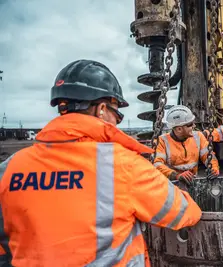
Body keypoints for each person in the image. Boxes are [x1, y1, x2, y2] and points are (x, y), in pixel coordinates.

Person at [0, 59, 202, 267]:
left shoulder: (9, 169)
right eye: (118, 114)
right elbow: (184, 212)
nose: (117, 122)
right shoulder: (124, 165)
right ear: (102, 110)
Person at [153, 105, 219, 185]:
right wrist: (176, 175)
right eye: (190, 124)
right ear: (179, 129)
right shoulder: (162, 141)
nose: (194, 126)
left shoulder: (198, 136)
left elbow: (208, 156)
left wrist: (214, 168)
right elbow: (157, 164)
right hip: (171, 185)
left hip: (192, 183)